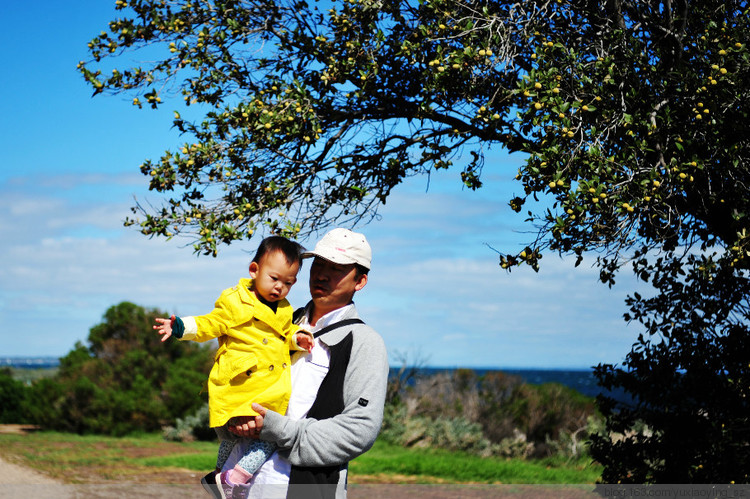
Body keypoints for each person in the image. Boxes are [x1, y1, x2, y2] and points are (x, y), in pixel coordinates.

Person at [223, 228, 389, 499]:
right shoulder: (279, 321)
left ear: (360, 281)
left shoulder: (364, 342)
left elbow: (360, 429)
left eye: (336, 268)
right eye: (318, 264)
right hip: (238, 486)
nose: (322, 274)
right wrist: (232, 419)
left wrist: (278, 429)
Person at [153, 236, 314, 499]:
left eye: (288, 283)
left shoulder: (284, 309)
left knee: (232, 440)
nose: (279, 288)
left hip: (265, 390)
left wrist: (297, 338)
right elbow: (212, 323)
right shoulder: (235, 300)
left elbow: (285, 334)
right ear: (254, 270)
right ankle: (232, 478)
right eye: (274, 278)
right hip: (240, 386)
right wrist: (182, 326)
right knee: (269, 438)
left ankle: (219, 474)